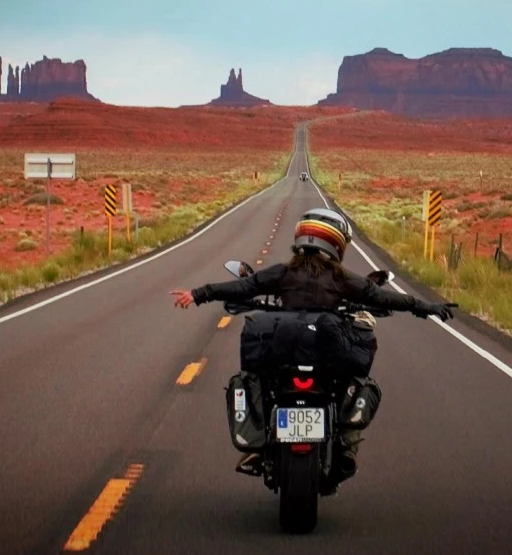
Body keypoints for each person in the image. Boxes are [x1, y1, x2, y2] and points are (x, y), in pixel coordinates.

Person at [170, 207, 454, 490]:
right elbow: (384, 298)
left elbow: (242, 288)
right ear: (336, 243)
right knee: (353, 380)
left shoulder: (282, 272)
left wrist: (197, 294)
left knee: (256, 376)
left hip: (284, 352)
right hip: (326, 356)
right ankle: (346, 447)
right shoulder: (341, 277)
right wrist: (427, 307)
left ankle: (256, 443)